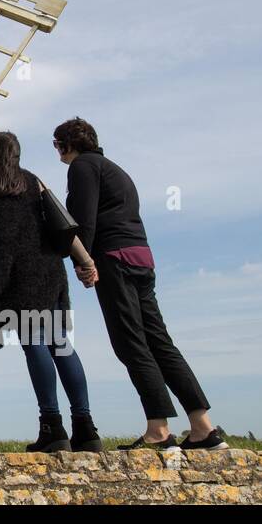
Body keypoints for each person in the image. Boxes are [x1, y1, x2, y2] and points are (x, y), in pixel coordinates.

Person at [54, 117, 227, 451]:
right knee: (160, 341)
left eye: (57, 144)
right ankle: (203, 427)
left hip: (113, 257)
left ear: (67, 143)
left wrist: (82, 263)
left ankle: (158, 429)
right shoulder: (115, 169)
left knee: (130, 342)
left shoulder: (82, 168)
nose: (57, 151)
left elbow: (83, 221)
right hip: (141, 255)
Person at [0, 131, 103, 452]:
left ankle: (52, 428)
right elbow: (62, 222)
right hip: (49, 269)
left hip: (14, 271)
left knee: (34, 342)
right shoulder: (34, 181)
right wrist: (86, 260)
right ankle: (86, 429)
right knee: (60, 342)